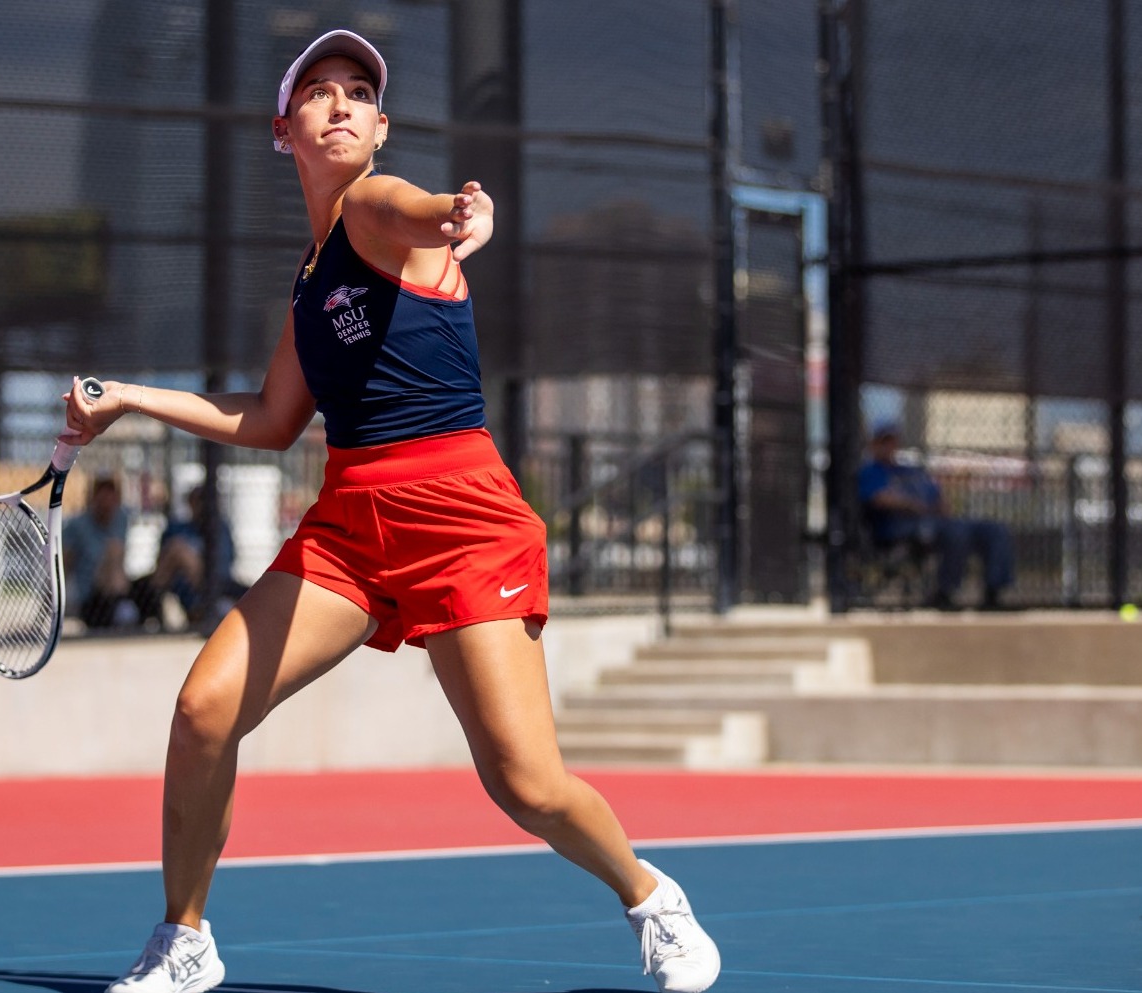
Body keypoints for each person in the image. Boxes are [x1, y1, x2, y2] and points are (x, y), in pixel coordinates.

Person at [61, 29, 720, 993]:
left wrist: (458, 212)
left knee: (525, 785)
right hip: (351, 523)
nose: (339, 102)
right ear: (282, 130)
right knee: (205, 710)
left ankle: (649, 895)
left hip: (461, 515)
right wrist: (128, 396)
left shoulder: (376, 205)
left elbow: (418, 207)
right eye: (317, 91)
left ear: (378, 127)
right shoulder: (308, 279)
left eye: (358, 92)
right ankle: (185, 939)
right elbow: (270, 418)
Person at [857, 420, 1015, 609]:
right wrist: (913, 505)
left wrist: (939, 506)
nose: (890, 446)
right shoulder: (870, 471)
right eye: (884, 441)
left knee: (994, 530)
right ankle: (945, 592)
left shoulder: (911, 470)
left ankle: (994, 591)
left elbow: (938, 497)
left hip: (936, 520)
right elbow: (879, 499)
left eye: (892, 441)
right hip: (900, 527)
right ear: (874, 444)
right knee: (956, 532)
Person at [131, 486, 243, 631]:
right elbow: (161, 566)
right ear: (190, 503)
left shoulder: (220, 529)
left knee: (180, 550)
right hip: (181, 589)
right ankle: (155, 607)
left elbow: (222, 569)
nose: (202, 507)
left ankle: (210, 608)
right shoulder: (178, 528)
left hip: (213, 587)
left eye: (205, 502)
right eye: (197, 501)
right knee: (176, 549)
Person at [62, 476, 136, 629]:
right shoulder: (77, 525)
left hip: (116, 587)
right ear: (93, 498)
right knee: (112, 549)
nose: (107, 502)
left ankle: (122, 605)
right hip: (91, 597)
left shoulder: (120, 519)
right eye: (102, 495)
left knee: (114, 550)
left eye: (111, 495)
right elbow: (64, 565)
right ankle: (124, 607)